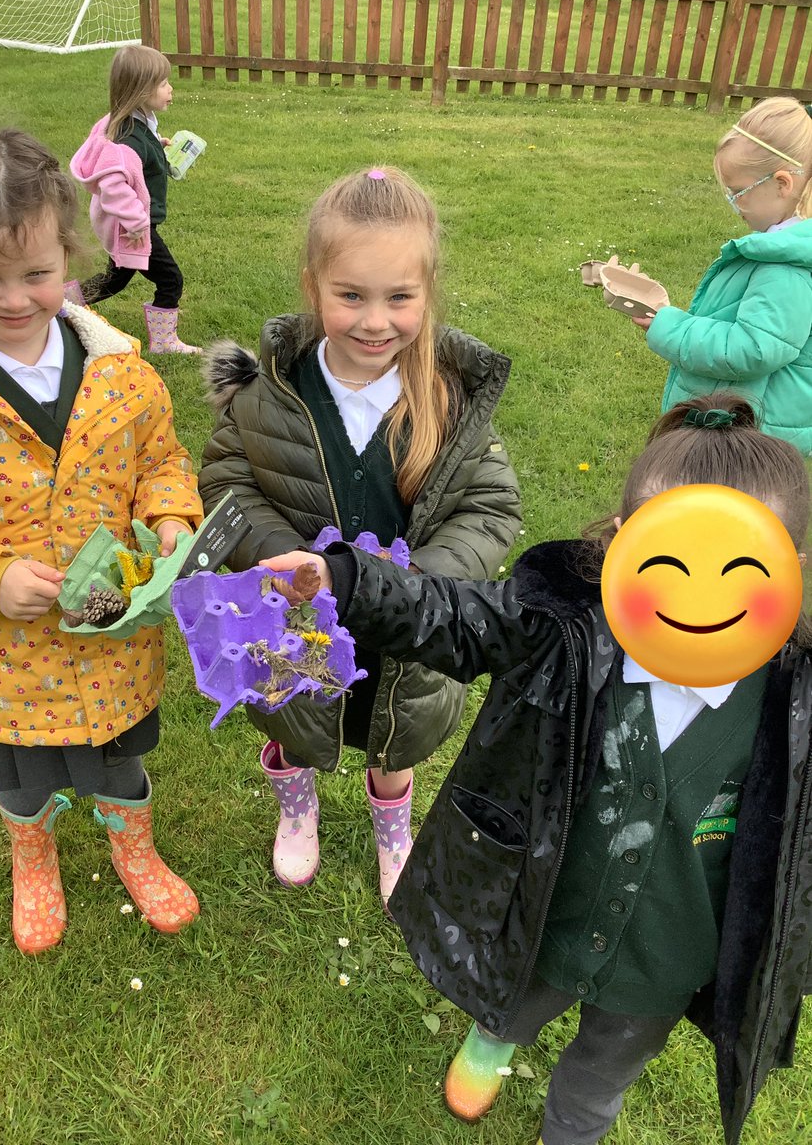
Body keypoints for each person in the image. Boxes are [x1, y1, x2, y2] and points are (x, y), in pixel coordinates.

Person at [260, 392, 812, 1145]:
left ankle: (573, 1130)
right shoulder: (563, 633)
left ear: (793, 566)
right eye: (673, 561)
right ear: (620, 543)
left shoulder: (795, 696)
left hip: (669, 953)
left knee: (603, 1075)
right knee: (517, 1001)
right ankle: (494, 1039)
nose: (699, 594)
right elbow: (453, 615)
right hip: (546, 908)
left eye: (739, 565)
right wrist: (348, 583)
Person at [198, 165, 521, 911]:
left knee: (396, 738)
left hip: (407, 625)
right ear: (314, 286)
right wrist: (286, 561)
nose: (376, 321)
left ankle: (392, 827)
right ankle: (297, 806)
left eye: (399, 298)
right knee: (293, 718)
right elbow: (226, 486)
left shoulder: (448, 397)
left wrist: (419, 586)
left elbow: (491, 508)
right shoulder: (266, 393)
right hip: (293, 618)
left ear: (427, 294)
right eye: (352, 295)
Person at [0, 129, 203, 955]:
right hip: (3, 652)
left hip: (112, 632)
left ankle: (133, 849)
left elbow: (161, 461)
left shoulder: (121, 371)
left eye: (37, 275)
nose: (13, 298)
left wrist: (174, 518)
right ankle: (32, 856)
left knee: (117, 756)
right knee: (20, 773)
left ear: (69, 257)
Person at [635, 96, 812, 454]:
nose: (734, 206)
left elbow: (755, 348)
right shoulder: (781, 250)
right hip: (743, 427)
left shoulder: (784, 266)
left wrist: (671, 328)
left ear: (782, 184)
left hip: (746, 438)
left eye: (738, 193)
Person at [69, 43, 200, 354]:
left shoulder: (134, 122)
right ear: (141, 91)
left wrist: (156, 145)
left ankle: (63, 304)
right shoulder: (127, 142)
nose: (170, 89)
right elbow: (113, 184)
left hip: (129, 227)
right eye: (163, 83)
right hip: (134, 229)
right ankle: (165, 343)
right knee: (170, 279)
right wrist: (138, 222)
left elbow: (136, 155)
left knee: (115, 279)